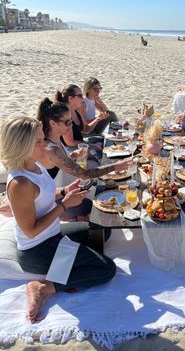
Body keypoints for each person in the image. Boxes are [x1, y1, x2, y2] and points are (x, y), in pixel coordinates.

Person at [0, 117, 117, 323]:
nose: (45, 145)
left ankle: (66, 262)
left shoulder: (34, 165)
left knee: (101, 231)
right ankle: (44, 287)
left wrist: (64, 190)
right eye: (38, 142)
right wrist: (65, 205)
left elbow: (43, 193)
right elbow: (31, 231)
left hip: (53, 234)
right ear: (22, 146)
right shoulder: (20, 183)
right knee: (106, 269)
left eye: (42, 138)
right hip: (37, 250)